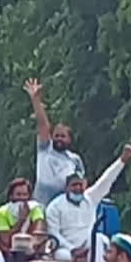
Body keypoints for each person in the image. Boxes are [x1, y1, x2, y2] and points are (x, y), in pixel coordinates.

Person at [45, 144, 131, 262]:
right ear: (66, 188)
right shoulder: (55, 207)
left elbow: (106, 180)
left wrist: (122, 161)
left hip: (89, 245)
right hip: (66, 249)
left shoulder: (90, 198)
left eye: (80, 185)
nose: (77, 188)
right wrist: (73, 250)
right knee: (62, 255)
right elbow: (53, 233)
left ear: (84, 185)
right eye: (73, 185)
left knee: (100, 239)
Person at [23, 78, 85, 206]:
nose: (59, 139)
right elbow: (43, 125)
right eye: (56, 136)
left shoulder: (74, 160)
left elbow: (81, 183)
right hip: (41, 205)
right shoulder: (46, 149)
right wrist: (36, 100)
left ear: (69, 139)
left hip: (64, 208)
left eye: (63, 136)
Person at [0, 177, 46, 255]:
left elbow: (38, 235)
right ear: (11, 196)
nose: (22, 198)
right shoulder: (0, 213)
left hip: (32, 252)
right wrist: (21, 221)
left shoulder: (34, 209)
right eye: (18, 194)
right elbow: (6, 241)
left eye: (25, 195)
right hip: (9, 254)